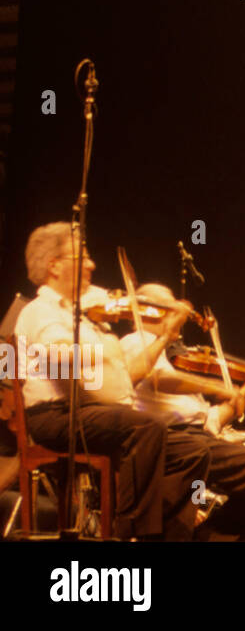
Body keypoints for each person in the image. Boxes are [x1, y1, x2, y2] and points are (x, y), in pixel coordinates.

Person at [12, 222, 208, 540]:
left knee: (194, 451)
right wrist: (103, 347)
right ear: (54, 266)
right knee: (145, 427)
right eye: (82, 256)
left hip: (92, 411)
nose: (91, 265)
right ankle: (133, 532)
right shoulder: (41, 312)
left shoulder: (85, 313)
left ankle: (172, 533)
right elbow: (55, 356)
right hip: (55, 415)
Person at [119, 284, 245, 541]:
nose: (177, 314)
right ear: (146, 311)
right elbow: (156, 378)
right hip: (172, 443)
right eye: (169, 308)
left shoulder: (168, 357)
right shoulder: (136, 342)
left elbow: (212, 420)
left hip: (199, 439)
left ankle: (205, 536)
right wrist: (215, 386)